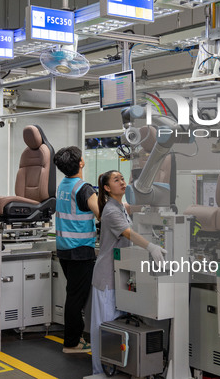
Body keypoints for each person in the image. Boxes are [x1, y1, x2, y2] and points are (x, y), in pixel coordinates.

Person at [90, 170, 166, 374]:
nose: (122, 182)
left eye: (123, 179)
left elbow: (134, 217)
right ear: (106, 188)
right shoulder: (111, 211)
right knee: (104, 328)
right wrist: (151, 247)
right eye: (116, 180)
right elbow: (128, 233)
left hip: (121, 277)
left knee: (118, 330)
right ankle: (100, 371)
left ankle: (116, 369)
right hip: (107, 278)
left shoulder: (121, 207)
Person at [53, 146, 100, 353]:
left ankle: (74, 339)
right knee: (75, 298)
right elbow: (102, 214)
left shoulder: (63, 185)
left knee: (72, 294)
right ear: (81, 162)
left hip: (64, 248)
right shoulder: (84, 188)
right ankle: (72, 343)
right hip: (80, 250)